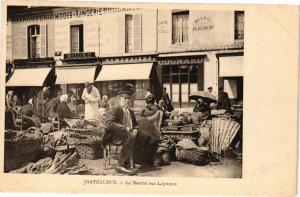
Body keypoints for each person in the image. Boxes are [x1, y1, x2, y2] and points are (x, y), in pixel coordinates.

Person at [102, 90, 139, 174]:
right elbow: (108, 124)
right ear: (120, 100)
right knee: (130, 136)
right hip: (114, 136)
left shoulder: (131, 112)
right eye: (125, 101)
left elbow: (135, 124)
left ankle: (133, 160)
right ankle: (121, 164)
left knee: (143, 135)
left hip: (126, 134)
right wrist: (125, 128)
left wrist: (136, 128)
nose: (127, 103)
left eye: (129, 101)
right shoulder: (115, 109)